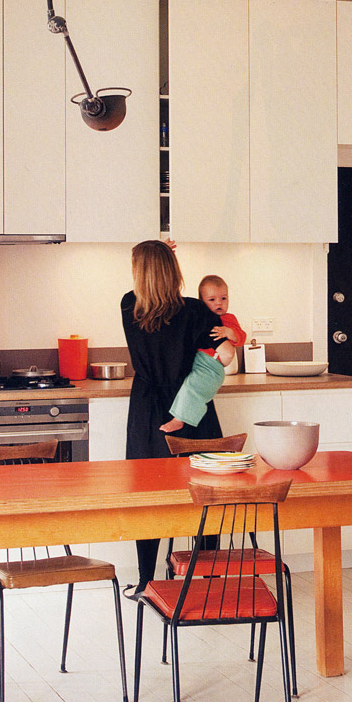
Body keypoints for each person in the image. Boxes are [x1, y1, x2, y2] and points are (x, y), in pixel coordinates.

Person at [121, 240, 227, 594]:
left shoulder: (130, 306)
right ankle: (208, 580)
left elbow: (149, 299)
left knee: (148, 493)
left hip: (149, 408)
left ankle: (146, 580)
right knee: (206, 491)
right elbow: (223, 353)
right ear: (174, 270)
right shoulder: (197, 310)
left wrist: (158, 255)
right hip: (192, 408)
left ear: (140, 273)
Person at [160, 274, 247, 433]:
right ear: (201, 302)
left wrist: (230, 333)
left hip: (212, 365)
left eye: (223, 298)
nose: (219, 303)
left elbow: (241, 338)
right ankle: (180, 416)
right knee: (187, 386)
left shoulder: (229, 319)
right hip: (199, 361)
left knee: (193, 387)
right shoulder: (198, 318)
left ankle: (179, 419)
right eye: (212, 299)